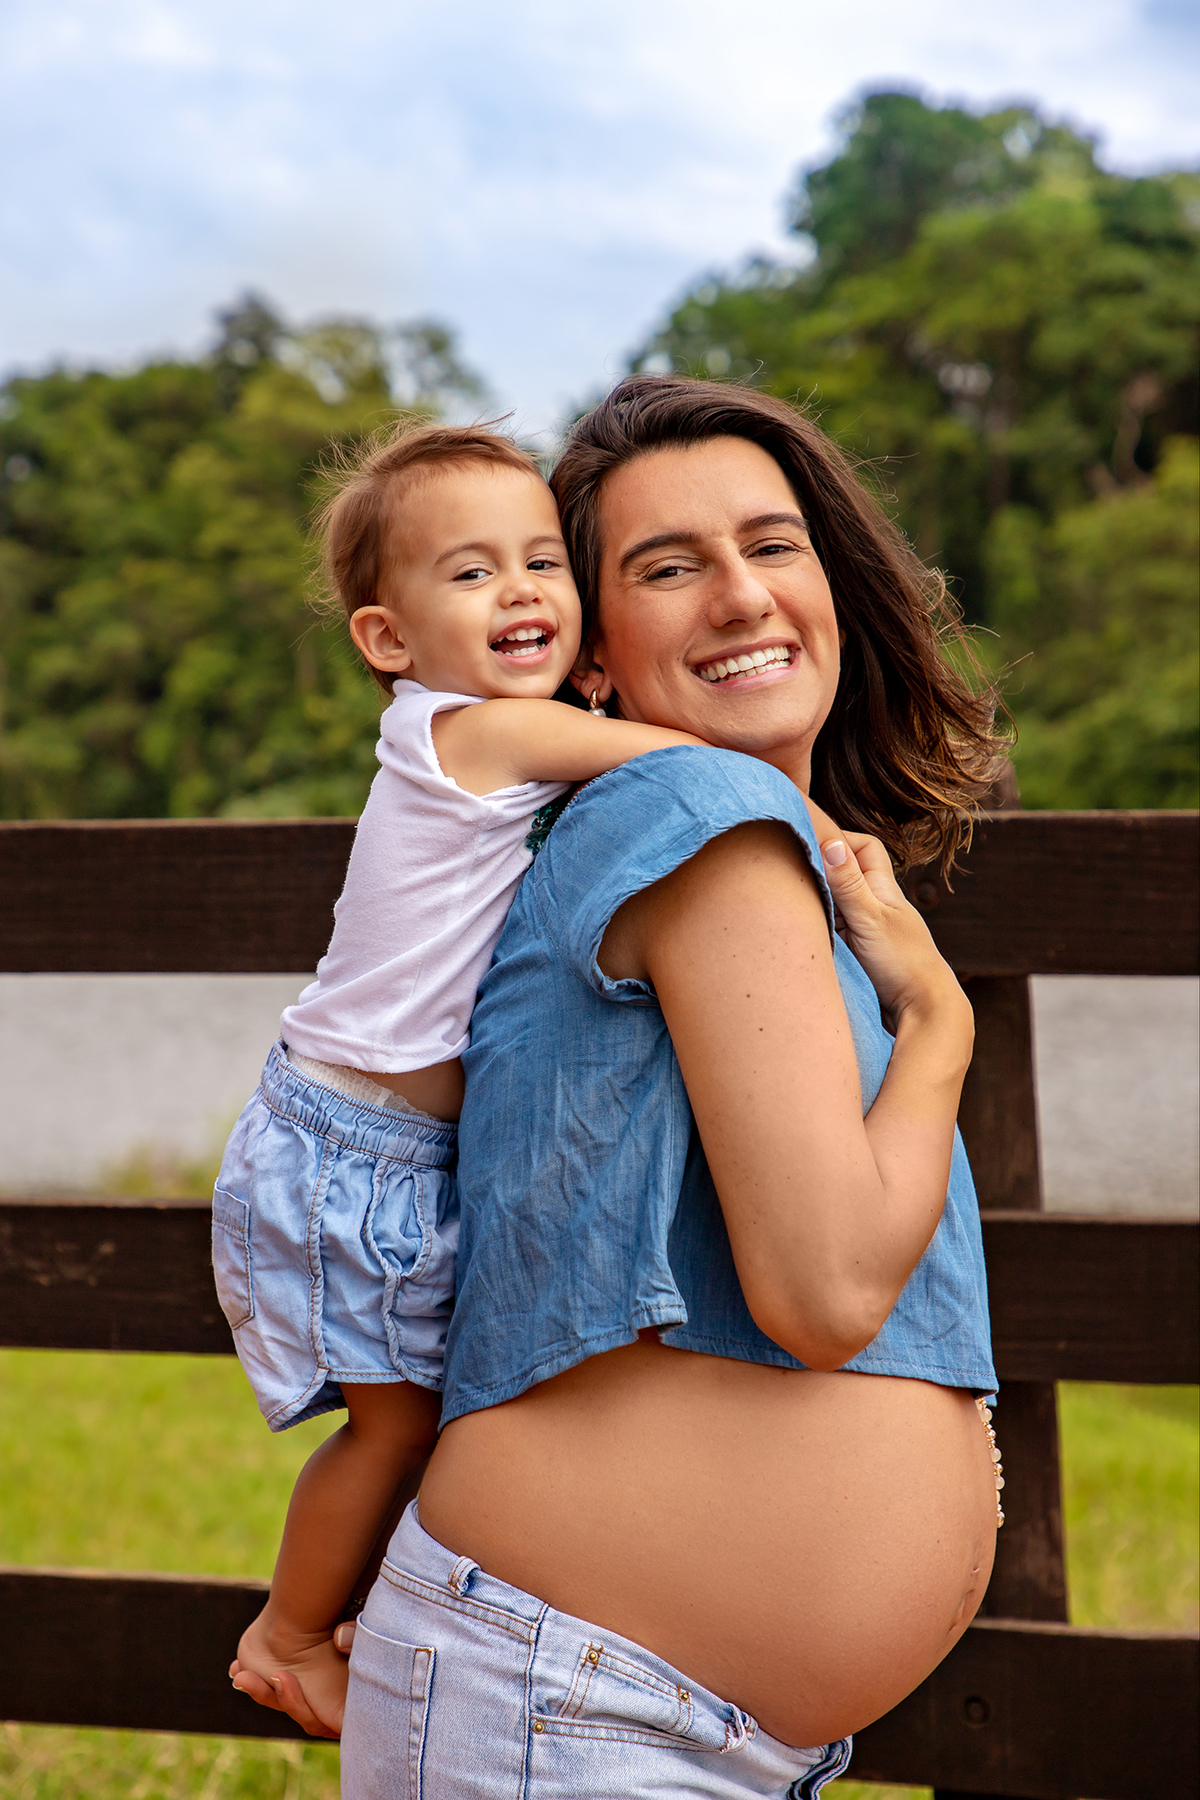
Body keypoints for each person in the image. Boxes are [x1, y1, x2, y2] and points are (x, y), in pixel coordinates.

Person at [338, 377, 1007, 1799]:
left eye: (773, 546)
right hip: (583, 1708)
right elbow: (823, 1293)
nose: (741, 597)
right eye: (665, 567)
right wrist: (941, 1019)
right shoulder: (697, 813)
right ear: (589, 650)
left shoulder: (703, 835)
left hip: (621, 1708)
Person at [211, 421, 704, 1737]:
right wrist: (805, 817)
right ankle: (289, 1632)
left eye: (544, 560)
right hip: (349, 1146)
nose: (526, 592)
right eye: (474, 573)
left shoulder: (483, 736)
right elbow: (667, 759)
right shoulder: (476, 732)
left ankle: (365, 1616)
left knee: (436, 1423)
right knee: (395, 1431)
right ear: (389, 637)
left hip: (377, 1144)